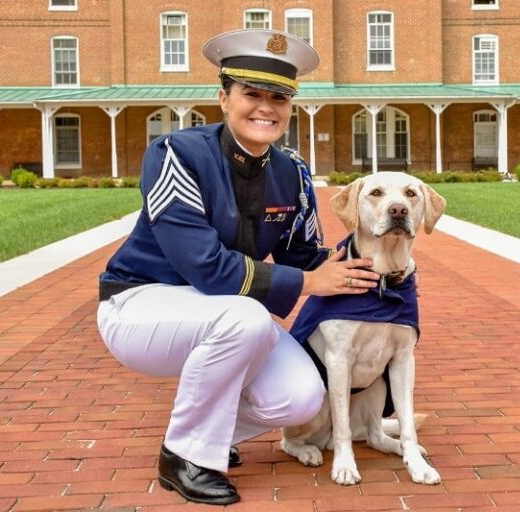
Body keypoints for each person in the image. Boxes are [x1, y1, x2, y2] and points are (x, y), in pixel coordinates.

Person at [96, 29, 379, 506]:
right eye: (252, 93)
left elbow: (305, 256)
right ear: (223, 98)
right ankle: (184, 456)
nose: (265, 107)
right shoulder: (177, 155)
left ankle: (212, 434)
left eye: (279, 97)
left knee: (302, 397)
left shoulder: (291, 171)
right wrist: (310, 282)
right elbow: (206, 269)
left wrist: (371, 260)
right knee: (246, 316)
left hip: (222, 314)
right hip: (139, 303)